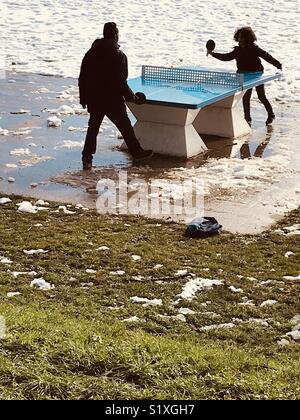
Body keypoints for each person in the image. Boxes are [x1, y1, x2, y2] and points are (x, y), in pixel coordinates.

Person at [79, 22, 153, 170]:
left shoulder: (90, 52)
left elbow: (83, 77)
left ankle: (87, 158)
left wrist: (83, 98)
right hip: (112, 100)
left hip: (95, 98)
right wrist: (133, 98)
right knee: (125, 127)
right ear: (115, 35)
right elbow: (121, 82)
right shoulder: (119, 55)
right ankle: (137, 153)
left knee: (93, 128)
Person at [207, 26, 282, 126]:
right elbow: (227, 57)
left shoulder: (254, 48)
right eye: (240, 37)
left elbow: (266, 56)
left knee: (261, 96)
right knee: (246, 97)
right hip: (244, 75)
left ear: (248, 38)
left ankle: (271, 114)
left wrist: (278, 64)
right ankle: (247, 118)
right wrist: (213, 54)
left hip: (256, 75)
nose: (241, 39)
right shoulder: (237, 50)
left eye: (243, 37)